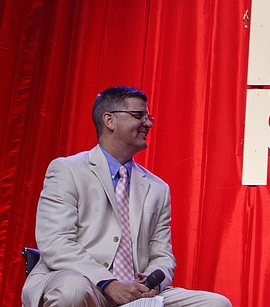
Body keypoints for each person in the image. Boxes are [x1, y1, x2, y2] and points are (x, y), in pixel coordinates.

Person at [22, 86, 231, 307]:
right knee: (72, 290)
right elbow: (56, 243)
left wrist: (151, 283)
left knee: (216, 303)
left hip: (135, 292)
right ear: (109, 120)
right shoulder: (67, 170)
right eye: (138, 116)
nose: (148, 124)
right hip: (86, 283)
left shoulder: (157, 188)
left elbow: (162, 255)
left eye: (148, 117)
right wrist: (107, 283)